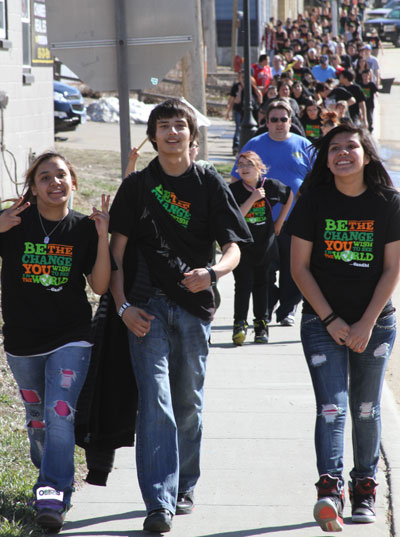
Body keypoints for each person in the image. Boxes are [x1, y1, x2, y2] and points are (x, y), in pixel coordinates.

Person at [109, 98, 251, 533]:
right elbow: (114, 257)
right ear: (153, 136)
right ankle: (159, 500)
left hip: (193, 310)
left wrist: (211, 273)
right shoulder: (136, 187)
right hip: (145, 308)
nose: (172, 133)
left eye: (180, 126)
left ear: (192, 134)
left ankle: (186, 483)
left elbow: (234, 247)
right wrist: (123, 307)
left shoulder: (208, 183)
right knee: (156, 402)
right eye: (163, 126)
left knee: (187, 403)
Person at [286, 123, 400, 532]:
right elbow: (299, 268)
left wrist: (366, 323)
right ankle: (329, 492)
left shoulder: (389, 202)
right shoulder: (312, 201)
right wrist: (332, 320)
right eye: (334, 148)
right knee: (331, 408)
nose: (342, 153)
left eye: (351, 146)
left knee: (366, 410)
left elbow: (392, 269)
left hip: (376, 322)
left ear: (367, 154)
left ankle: (365, 489)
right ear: (327, 158)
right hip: (322, 322)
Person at [1, 152, 111, 532]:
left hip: (71, 336)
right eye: (45, 177)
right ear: (33, 187)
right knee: (39, 420)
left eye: (61, 175)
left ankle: (52, 492)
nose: (55, 182)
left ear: (73, 182)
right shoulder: (14, 223)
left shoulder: (83, 229)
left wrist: (102, 238)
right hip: (22, 339)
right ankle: (49, 467)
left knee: (60, 413)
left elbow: (98, 286)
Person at [231, 99, 312, 326]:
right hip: (260, 221)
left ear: (290, 121)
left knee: (293, 268)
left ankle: (287, 309)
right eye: (273, 119)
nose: (278, 123)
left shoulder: (304, 145)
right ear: (266, 121)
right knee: (264, 269)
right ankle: (266, 304)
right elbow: (236, 179)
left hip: (296, 219)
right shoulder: (254, 144)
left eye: (283, 119)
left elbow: (319, 180)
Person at [229, 150, 293, 345]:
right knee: (242, 286)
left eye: (248, 164)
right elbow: (236, 216)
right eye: (240, 165)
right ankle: (239, 324)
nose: (244, 168)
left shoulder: (271, 186)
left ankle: (261, 326)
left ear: (259, 168)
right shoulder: (234, 190)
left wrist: (279, 222)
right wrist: (253, 198)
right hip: (243, 247)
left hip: (265, 246)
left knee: (262, 286)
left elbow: (289, 195)